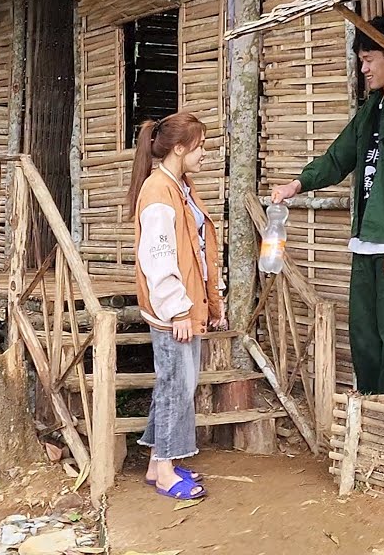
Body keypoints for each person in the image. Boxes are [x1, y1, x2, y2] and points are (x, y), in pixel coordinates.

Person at [271, 15, 384, 395]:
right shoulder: (370, 110)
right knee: (364, 340)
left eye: (369, 59)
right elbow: (337, 159)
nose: (363, 68)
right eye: (361, 61)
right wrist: (296, 184)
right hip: (365, 242)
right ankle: (367, 419)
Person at [129, 111, 226, 501]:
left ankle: (158, 463)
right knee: (175, 386)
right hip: (175, 312)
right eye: (200, 146)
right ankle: (167, 471)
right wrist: (179, 310)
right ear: (180, 148)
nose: (204, 153)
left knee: (177, 384)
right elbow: (159, 257)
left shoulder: (178, 185)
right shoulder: (158, 192)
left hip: (186, 306)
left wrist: (209, 301)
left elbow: (197, 250)